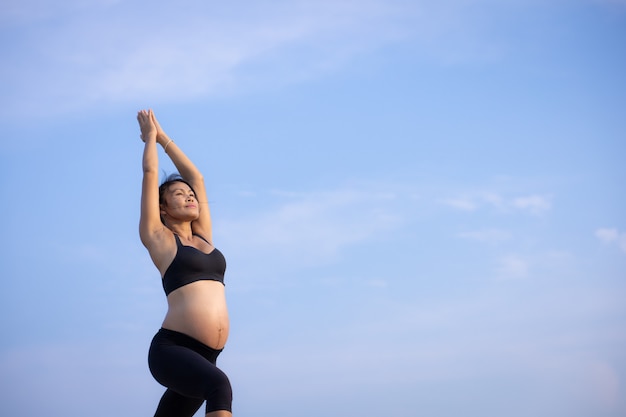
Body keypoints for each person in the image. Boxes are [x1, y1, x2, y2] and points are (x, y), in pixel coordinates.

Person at [137, 109, 233, 417]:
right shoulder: (159, 239)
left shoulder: (204, 236)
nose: (190, 196)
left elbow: (197, 177)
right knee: (220, 387)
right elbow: (151, 176)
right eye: (179, 194)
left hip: (207, 356)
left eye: (191, 195)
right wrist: (150, 139)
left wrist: (165, 137)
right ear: (162, 208)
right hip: (172, 350)